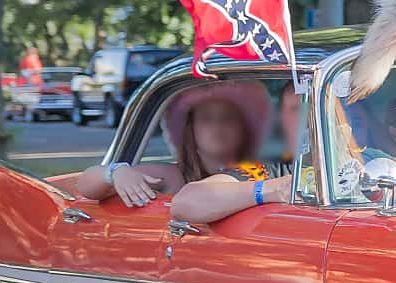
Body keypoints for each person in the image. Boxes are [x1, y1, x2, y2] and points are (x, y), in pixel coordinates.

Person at [77, 79, 269, 209]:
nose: (217, 126)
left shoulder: (265, 172)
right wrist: (117, 172)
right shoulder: (174, 176)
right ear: (191, 131)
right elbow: (86, 187)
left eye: (227, 119)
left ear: (243, 129)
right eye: (206, 119)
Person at [168, 83, 310, 222]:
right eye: (299, 110)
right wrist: (276, 189)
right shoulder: (269, 172)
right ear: (283, 120)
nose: (310, 118)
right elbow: (185, 202)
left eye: (227, 118)